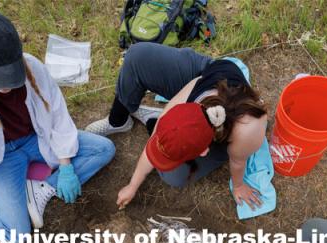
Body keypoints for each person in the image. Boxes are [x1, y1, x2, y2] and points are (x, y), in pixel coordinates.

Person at [0, 9, 115, 243]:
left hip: (36, 140)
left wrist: (65, 167)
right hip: (1, 159)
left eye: (10, 75)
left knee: (103, 149)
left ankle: (41, 189)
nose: (6, 86)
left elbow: (57, 113)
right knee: (17, 235)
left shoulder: (32, 65)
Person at [85, 43, 267, 210]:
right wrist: (133, 185)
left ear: (204, 151)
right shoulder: (191, 96)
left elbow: (238, 161)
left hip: (234, 119)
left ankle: (154, 122)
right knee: (137, 56)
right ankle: (131, 120)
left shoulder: (248, 130)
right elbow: (157, 137)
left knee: (172, 175)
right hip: (208, 75)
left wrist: (238, 185)